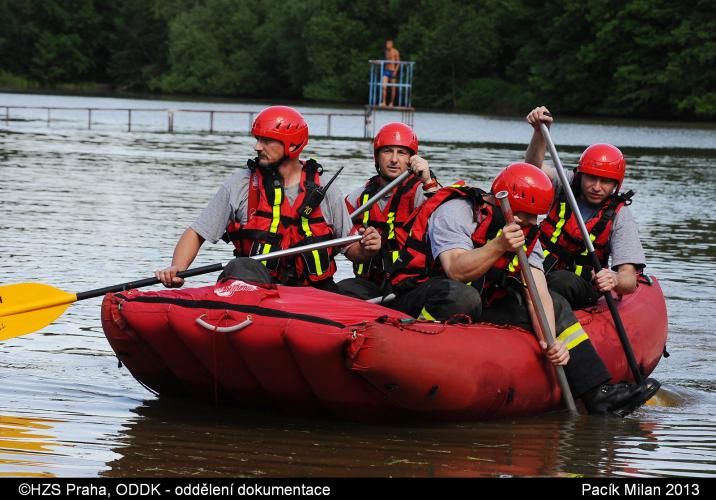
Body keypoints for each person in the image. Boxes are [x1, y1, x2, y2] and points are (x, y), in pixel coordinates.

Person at [386, 162, 659, 416]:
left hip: (480, 302)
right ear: (505, 206)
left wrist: (551, 342)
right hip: (422, 295)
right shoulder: (457, 211)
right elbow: (456, 269)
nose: (529, 224)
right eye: (523, 217)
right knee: (461, 295)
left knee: (555, 302)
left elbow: (537, 293)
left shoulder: (527, 232)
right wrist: (498, 246)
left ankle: (597, 392)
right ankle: (417, 357)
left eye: (534, 219)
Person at [155, 105, 381, 291]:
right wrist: (177, 267)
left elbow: (351, 250)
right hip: (256, 289)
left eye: (266, 140)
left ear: (292, 144)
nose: (257, 146)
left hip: (313, 293)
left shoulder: (326, 190)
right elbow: (197, 233)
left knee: (354, 291)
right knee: (239, 267)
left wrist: (367, 249)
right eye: (257, 139)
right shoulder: (241, 185)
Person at [525, 106, 646, 309]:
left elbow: (629, 278)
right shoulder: (566, 183)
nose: (597, 187)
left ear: (616, 184)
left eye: (606, 181)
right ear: (581, 174)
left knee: (561, 281)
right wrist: (539, 132)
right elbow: (533, 168)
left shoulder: (620, 216)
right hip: (539, 271)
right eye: (591, 177)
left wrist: (614, 279)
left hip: (579, 286)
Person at [337, 122, 438, 300]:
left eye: (402, 152)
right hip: (370, 287)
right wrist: (363, 247)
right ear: (376, 157)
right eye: (387, 151)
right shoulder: (357, 198)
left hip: (411, 287)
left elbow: (443, 219)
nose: (393, 159)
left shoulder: (423, 192)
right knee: (339, 290)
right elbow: (339, 241)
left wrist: (429, 182)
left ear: (412, 159)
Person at [381, 40, 400, 107]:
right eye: (386, 44)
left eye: (388, 44)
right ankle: (384, 102)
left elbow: (398, 63)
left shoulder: (395, 51)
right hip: (386, 70)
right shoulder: (386, 51)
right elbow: (386, 61)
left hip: (392, 71)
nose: (387, 45)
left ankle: (391, 103)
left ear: (391, 45)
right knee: (384, 86)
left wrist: (395, 71)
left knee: (393, 88)